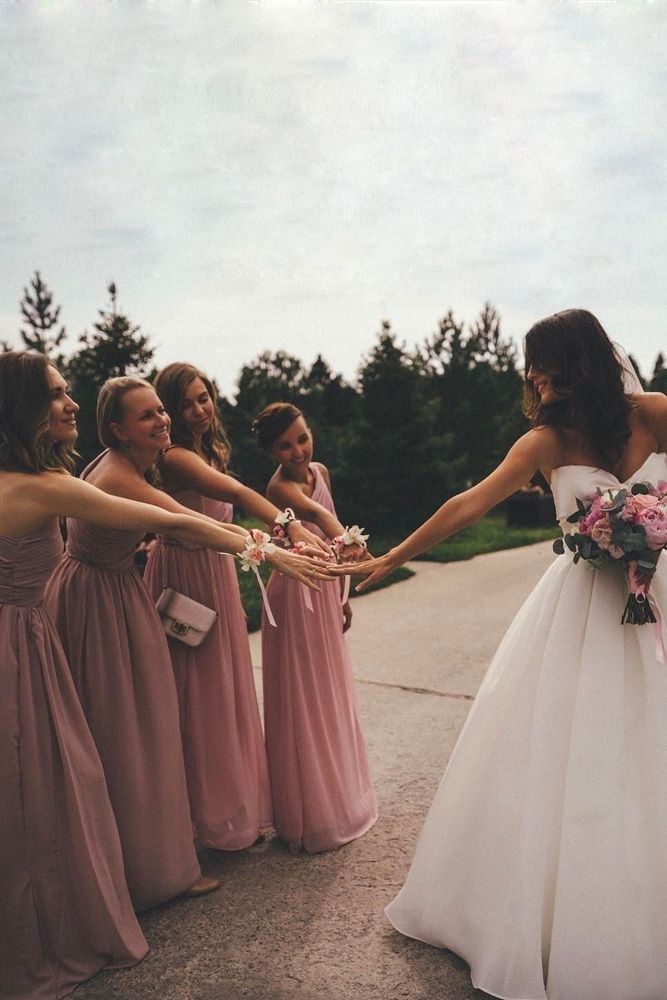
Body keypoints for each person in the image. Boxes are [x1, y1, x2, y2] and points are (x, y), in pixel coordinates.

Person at [336, 310, 667, 1000]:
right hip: (585, 613)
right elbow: (469, 503)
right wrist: (396, 554)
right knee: (589, 749)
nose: (530, 379)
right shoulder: (544, 441)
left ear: (561, 365)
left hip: (654, 590)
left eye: (536, 366)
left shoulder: (656, 412)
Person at [0, 354, 330, 1000]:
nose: (71, 404)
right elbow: (181, 519)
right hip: (29, 635)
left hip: (46, 620)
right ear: (24, 409)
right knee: (56, 771)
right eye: (58, 394)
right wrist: (270, 551)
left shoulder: (32, 477)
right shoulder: (47, 486)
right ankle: (91, 898)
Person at [44, 376, 291, 909]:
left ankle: (135, 862)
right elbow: (186, 521)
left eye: (162, 411)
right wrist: (271, 550)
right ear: (117, 430)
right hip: (102, 599)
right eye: (147, 415)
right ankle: (156, 872)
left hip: (101, 591)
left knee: (129, 729)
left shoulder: (120, 465)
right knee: (136, 734)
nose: (162, 420)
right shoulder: (120, 476)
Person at [144, 363, 329, 851]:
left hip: (217, 573)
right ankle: (202, 821)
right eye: (186, 403)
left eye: (204, 397)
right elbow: (238, 494)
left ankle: (228, 811)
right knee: (198, 696)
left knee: (223, 691)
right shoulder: (177, 457)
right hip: (185, 575)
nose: (200, 409)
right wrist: (289, 525)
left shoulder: (205, 450)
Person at [253, 402, 378, 853]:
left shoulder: (320, 469)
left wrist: (342, 597)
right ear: (272, 452)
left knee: (330, 691)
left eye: (302, 438)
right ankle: (311, 813)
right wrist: (358, 551)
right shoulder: (278, 486)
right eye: (285, 445)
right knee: (305, 697)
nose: (298, 451)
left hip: (324, 590)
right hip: (295, 594)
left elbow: (330, 522)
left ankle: (341, 794)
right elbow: (324, 521)